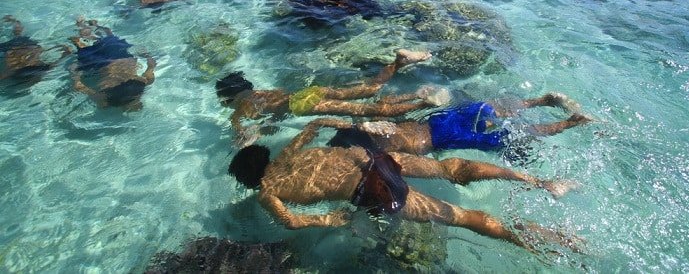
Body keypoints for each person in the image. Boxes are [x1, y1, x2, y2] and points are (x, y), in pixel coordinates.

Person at [228, 117, 581, 252]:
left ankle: (534, 243)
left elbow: (291, 221)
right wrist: (362, 122)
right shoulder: (289, 152)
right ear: (264, 157)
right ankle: (543, 182)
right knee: (452, 167)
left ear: (248, 180)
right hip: (375, 160)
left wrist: (331, 220)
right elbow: (316, 123)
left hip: (372, 192)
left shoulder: (267, 193)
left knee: (461, 216)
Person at [216, 49, 450, 146]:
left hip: (303, 104)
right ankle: (399, 62)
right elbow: (277, 103)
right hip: (309, 93)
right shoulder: (264, 91)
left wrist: (253, 134)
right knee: (368, 89)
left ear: (226, 100)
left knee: (367, 111)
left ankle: (422, 102)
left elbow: (256, 131)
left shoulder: (239, 112)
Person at [327, 93, 593, 157]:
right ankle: (542, 100)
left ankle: (571, 123)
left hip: (441, 138)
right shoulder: (370, 126)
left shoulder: (369, 154)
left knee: (508, 137)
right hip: (438, 119)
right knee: (493, 110)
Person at [69, 17, 156, 110]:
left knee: (109, 37)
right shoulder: (106, 100)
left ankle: (91, 25)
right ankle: (83, 25)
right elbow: (78, 86)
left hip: (121, 58)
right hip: (100, 64)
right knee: (82, 45)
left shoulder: (142, 84)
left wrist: (147, 56)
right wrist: (75, 73)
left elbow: (151, 65)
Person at [1, 15, 71, 86]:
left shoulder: (41, 69)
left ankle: (14, 22)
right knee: (18, 36)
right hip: (24, 48)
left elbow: (54, 63)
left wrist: (65, 53)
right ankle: (14, 22)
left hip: (23, 48)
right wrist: (65, 53)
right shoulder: (40, 69)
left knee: (18, 36)